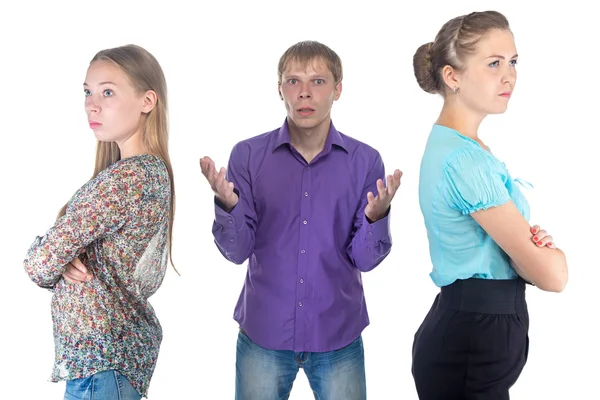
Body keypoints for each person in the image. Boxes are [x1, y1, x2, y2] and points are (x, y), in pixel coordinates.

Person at [200, 40, 402, 400]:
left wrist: (376, 216)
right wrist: (227, 204)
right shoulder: (247, 156)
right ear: (279, 89)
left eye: (318, 82)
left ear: (338, 89)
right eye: (293, 81)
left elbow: (365, 261)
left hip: (338, 334)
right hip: (264, 333)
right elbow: (236, 252)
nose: (304, 93)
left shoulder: (366, 161)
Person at [411, 10, 569, 400]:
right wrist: (546, 256)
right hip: (472, 338)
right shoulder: (465, 160)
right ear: (453, 77)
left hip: (476, 332)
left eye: (513, 62)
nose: (509, 75)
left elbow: (515, 255)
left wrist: (524, 252)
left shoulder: (466, 147)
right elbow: (554, 277)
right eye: (494, 63)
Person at [23, 44, 176, 400]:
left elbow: (39, 263)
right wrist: (62, 259)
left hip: (102, 366)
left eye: (108, 92)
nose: (93, 104)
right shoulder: (146, 174)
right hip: (104, 366)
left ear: (147, 101)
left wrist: (55, 258)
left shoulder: (128, 179)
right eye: (88, 92)